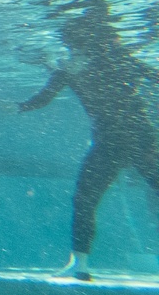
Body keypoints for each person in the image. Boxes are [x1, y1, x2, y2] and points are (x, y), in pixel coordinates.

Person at [19, 16, 159, 281]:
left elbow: (44, 98)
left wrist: (19, 106)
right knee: (85, 200)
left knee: (85, 200)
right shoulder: (104, 61)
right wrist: (20, 105)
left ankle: (80, 264)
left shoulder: (75, 66)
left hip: (119, 140)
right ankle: (79, 265)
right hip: (134, 137)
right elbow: (153, 76)